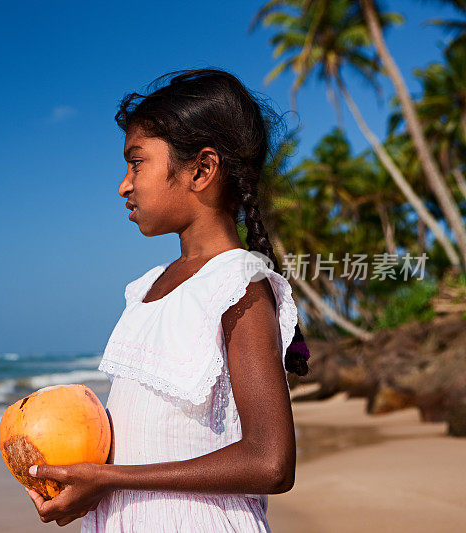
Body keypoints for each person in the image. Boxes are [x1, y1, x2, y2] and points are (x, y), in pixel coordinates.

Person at [26, 68, 311, 531]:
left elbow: (270, 461)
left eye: (136, 163)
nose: (124, 184)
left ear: (200, 169)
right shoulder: (146, 289)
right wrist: (78, 478)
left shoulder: (236, 283)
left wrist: (110, 479)